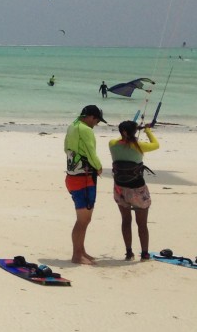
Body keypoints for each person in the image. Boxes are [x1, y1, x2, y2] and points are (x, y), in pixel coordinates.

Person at [109, 120, 158, 260]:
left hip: (120, 189)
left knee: (126, 220)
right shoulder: (139, 146)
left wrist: (128, 132)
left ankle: (129, 252)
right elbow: (156, 144)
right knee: (142, 224)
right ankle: (144, 253)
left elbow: (120, 139)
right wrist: (148, 130)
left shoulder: (112, 144)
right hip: (137, 190)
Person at [63, 104, 106, 264]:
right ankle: (76, 255)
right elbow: (90, 151)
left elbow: (66, 148)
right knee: (83, 220)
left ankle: (81, 251)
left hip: (72, 176)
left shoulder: (72, 126)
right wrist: (99, 167)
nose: (96, 124)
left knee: (84, 219)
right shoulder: (85, 129)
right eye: (96, 120)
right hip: (84, 178)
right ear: (90, 117)